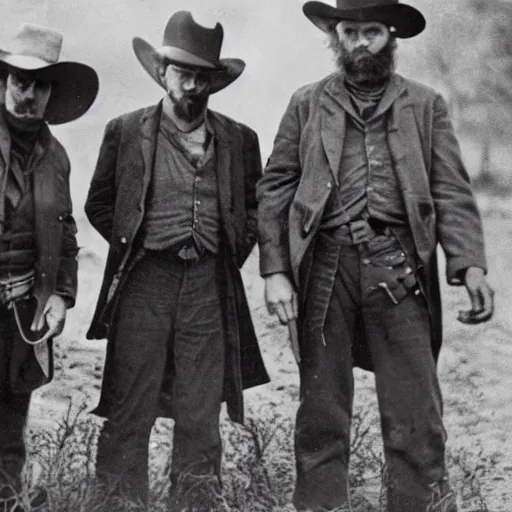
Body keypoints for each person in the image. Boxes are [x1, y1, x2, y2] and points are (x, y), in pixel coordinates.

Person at [257, 1, 494, 511]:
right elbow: (276, 186)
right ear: (335, 37)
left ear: (390, 37)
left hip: (398, 268)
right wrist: (276, 269)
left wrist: (469, 263)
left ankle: (420, 505)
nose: (360, 42)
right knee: (321, 409)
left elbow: (450, 188)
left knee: (416, 410)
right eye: (350, 31)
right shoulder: (307, 103)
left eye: (371, 32)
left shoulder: (425, 105)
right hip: (326, 268)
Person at [85, 11, 269, 510]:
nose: (191, 84)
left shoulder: (239, 139)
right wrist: (135, 241)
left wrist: (229, 246)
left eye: (201, 76)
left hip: (208, 287)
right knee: (131, 404)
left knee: (201, 409)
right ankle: (119, 504)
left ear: (213, 82)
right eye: (182, 72)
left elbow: (253, 209)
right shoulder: (125, 132)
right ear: (162, 72)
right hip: (145, 282)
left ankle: (194, 504)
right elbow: (98, 203)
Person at [0, 23, 98, 511]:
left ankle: (8, 498)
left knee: (11, 417)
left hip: (21, 312)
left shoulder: (55, 157)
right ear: (4, 84)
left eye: (40, 86)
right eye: (21, 81)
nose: (29, 94)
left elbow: (67, 233)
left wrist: (60, 293)